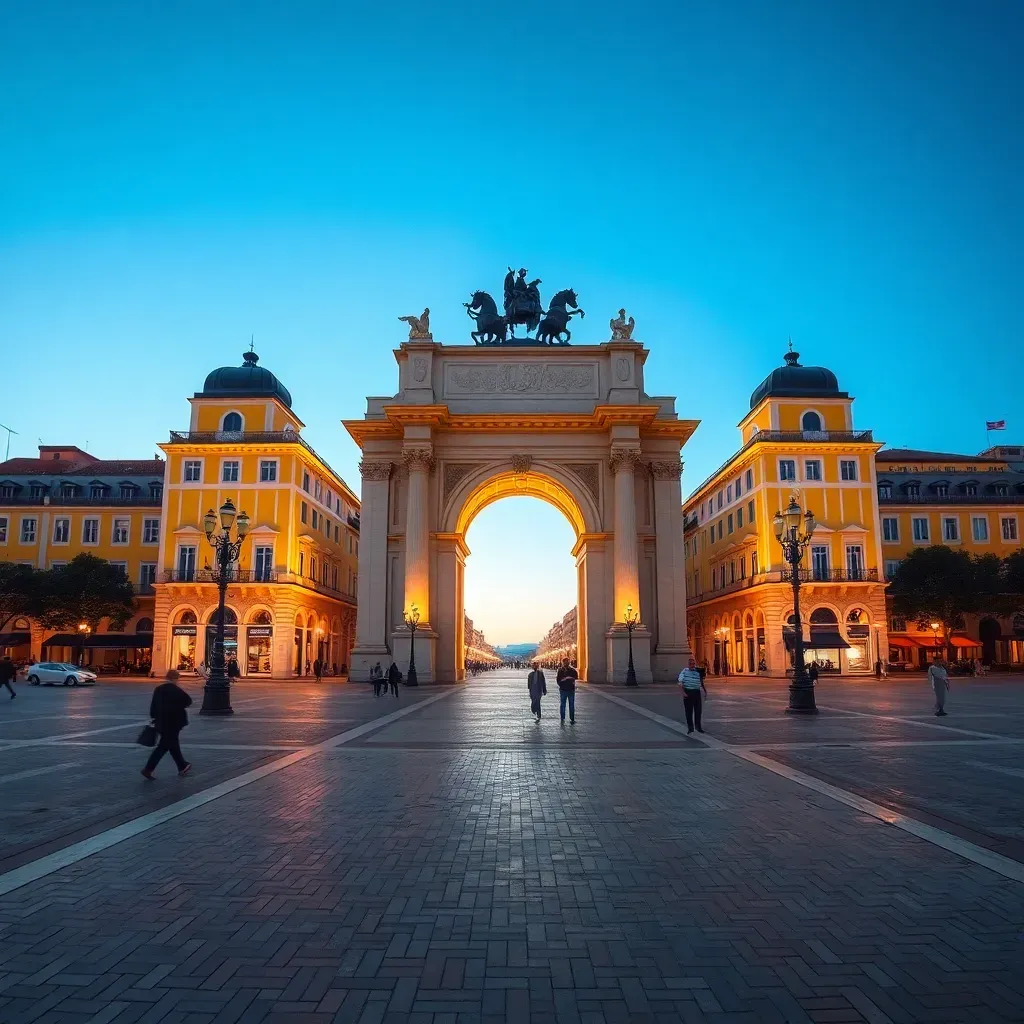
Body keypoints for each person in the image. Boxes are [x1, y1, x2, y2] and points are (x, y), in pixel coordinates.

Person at [141, 670, 192, 778]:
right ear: (175, 678)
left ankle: (182, 766)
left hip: (161, 722)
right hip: (174, 723)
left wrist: (155, 717)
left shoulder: (158, 689)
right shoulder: (176, 690)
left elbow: (153, 708)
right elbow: (188, 701)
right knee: (163, 746)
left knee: (173, 744)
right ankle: (148, 769)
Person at [678, 656, 706, 734]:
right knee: (689, 711)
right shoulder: (684, 671)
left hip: (697, 693)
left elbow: (701, 681)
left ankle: (698, 727)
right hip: (688, 692)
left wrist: (704, 692)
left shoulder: (697, 671)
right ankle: (690, 728)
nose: (692, 665)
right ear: (688, 664)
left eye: (693, 664)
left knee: (698, 711)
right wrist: (683, 693)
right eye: (690, 664)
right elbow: (680, 683)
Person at [556, 658, 578, 724]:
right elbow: (558, 680)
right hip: (566, 689)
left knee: (566, 704)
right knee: (568, 704)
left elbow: (575, 677)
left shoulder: (571, 670)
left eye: (567, 662)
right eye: (566, 662)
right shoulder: (561, 670)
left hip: (568, 689)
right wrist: (565, 679)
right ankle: (568, 718)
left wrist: (568, 679)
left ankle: (566, 718)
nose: (566, 663)